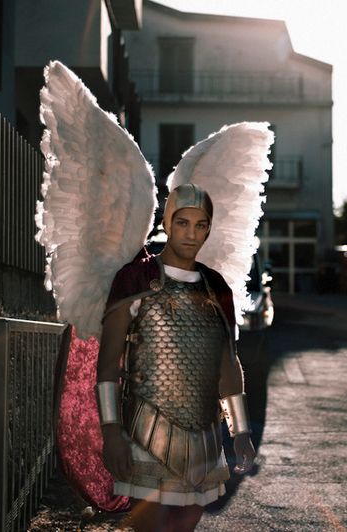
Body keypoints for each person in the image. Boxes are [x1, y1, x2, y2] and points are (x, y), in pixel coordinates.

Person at [94, 183, 257, 531]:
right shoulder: (135, 277)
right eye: (183, 222)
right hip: (145, 433)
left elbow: (227, 363)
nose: (191, 233)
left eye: (201, 225)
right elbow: (108, 363)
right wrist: (111, 432)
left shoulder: (216, 287)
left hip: (206, 437)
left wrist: (240, 431)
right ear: (168, 222)